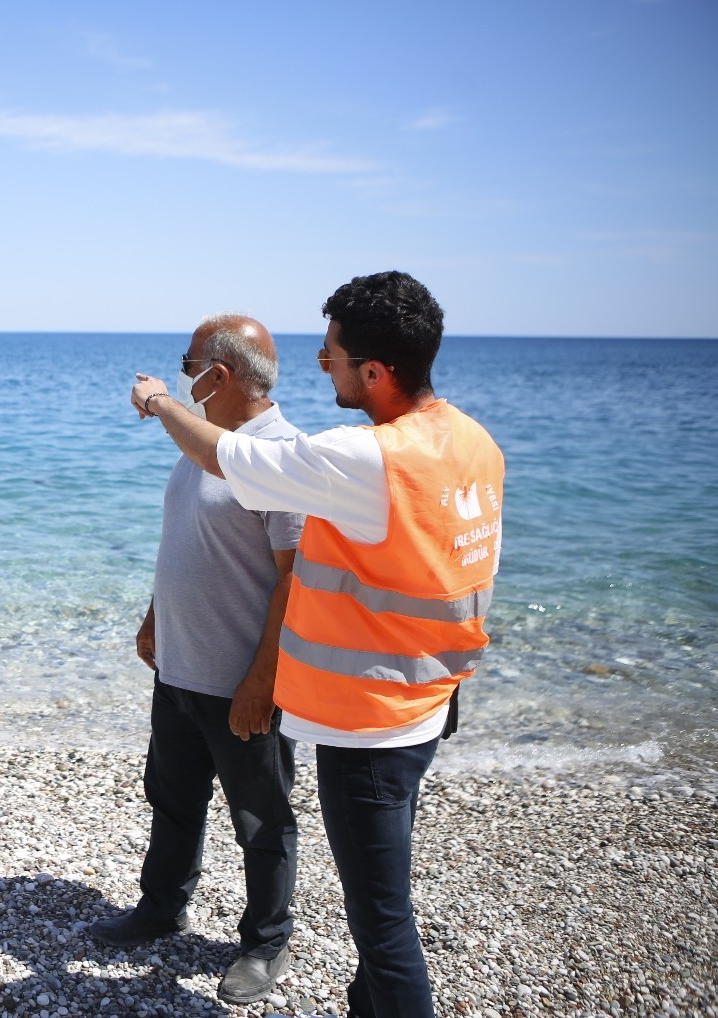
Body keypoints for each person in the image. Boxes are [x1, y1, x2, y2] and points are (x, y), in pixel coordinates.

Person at [129, 271, 504, 1018]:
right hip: (425, 701)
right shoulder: (470, 441)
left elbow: (234, 468)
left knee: (384, 926)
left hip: (371, 720)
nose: (320, 365)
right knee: (377, 923)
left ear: (374, 370)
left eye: (330, 354)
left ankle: (285, 949)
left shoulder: (365, 460)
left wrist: (163, 402)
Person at [88, 314, 302, 1007]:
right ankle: (161, 908)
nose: (180, 373)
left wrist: (262, 681)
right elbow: (185, 537)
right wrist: (155, 617)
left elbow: (295, 582)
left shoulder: (280, 455)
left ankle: (265, 942)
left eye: (188, 363)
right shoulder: (204, 444)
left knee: (261, 819)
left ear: (219, 375)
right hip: (179, 667)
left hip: (240, 682)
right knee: (172, 799)